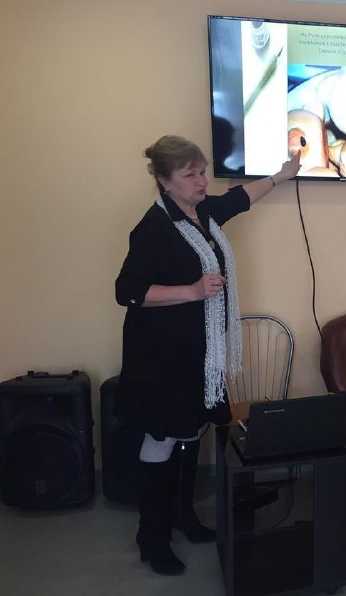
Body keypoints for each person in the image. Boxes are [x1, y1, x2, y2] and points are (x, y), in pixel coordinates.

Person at [115, 135, 301, 576]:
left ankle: (183, 516)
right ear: (164, 181)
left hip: (199, 354)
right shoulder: (154, 228)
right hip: (160, 357)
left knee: (190, 433)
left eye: (202, 172)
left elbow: (240, 198)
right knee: (161, 439)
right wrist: (192, 291)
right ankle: (151, 536)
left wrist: (281, 176)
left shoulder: (203, 213)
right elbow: (127, 292)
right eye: (190, 175)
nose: (202, 181)